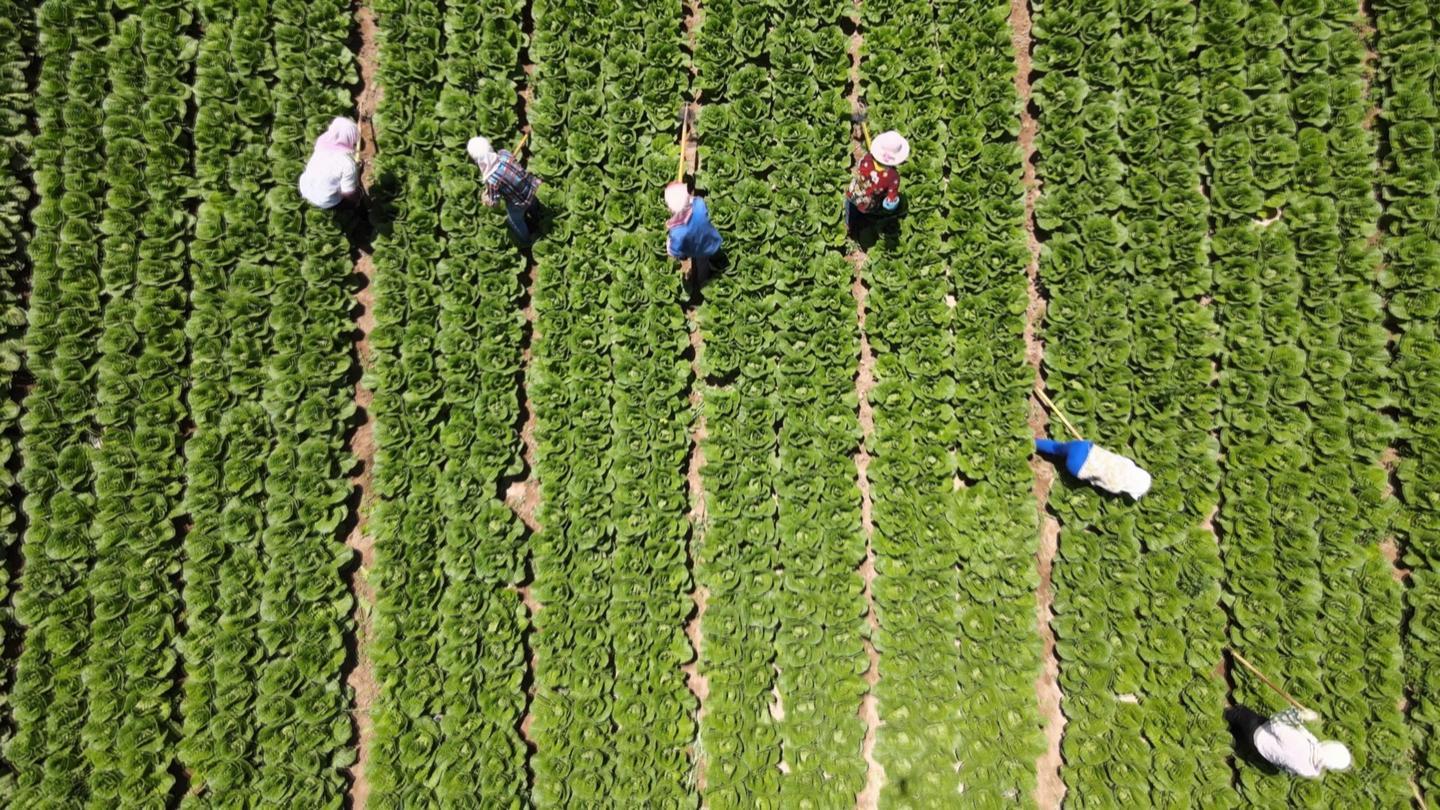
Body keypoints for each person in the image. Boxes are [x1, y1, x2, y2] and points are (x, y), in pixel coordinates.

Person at [467, 136, 542, 244]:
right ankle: (539, 217)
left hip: (519, 202)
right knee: (533, 204)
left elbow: (495, 202)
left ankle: (526, 240)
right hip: (531, 188)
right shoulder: (504, 154)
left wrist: (486, 199)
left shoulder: (492, 180)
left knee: (515, 220)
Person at [1250, 707, 1353, 779]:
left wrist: (1301, 715)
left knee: (1242, 713)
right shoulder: (1312, 771)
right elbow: (1308, 737)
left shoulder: (1301, 746)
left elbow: (1276, 720)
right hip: (1269, 753)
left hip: (1260, 736)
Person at [1034, 437, 1152, 499]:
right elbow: (1096, 482)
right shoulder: (1116, 488)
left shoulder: (1128, 464)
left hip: (1084, 447)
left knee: (1057, 448)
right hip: (1077, 467)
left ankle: (1034, 442)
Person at [664, 182, 722, 300]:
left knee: (702, 266)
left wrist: (669, 245)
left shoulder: (678, 232)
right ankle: (718, 262)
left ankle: (702, 283)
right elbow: (697, 206)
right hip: (711, 239)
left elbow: (675, 251)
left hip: (699, 250)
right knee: (715, 253)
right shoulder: (699, 203)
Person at [844, 130, 909, 233]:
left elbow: (859, 168)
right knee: (866, 212)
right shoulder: (893, 177)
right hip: (869, 202)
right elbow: (890, 201)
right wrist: (893, 205)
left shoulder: (867, 159)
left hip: (853, 191)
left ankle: (848, 225)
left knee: (850, 207)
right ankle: (863, 222)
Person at [298, 117, 362, 210]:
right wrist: (357, 197)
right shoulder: (347, 164)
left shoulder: (320, 145)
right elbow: (348, 194)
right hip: (324, 200)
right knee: (351, 201)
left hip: (305, 187)